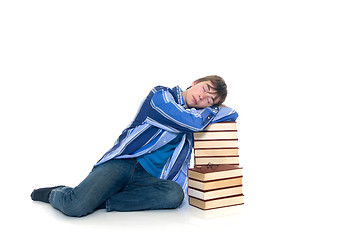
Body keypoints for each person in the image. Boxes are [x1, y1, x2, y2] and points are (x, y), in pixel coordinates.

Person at [30, 75, 238, 217]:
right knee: (74, 206)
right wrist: (211, 110)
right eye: (205, 89)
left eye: (209, 100)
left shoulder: (198, 115)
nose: (202, 97)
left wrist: (211, 109)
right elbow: (189, 122)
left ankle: (103, 201)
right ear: (194, 82)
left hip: (149, 178)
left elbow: (232, 114)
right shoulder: (161, 96)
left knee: (175, 195)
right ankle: (56, 193)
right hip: (123, 164)